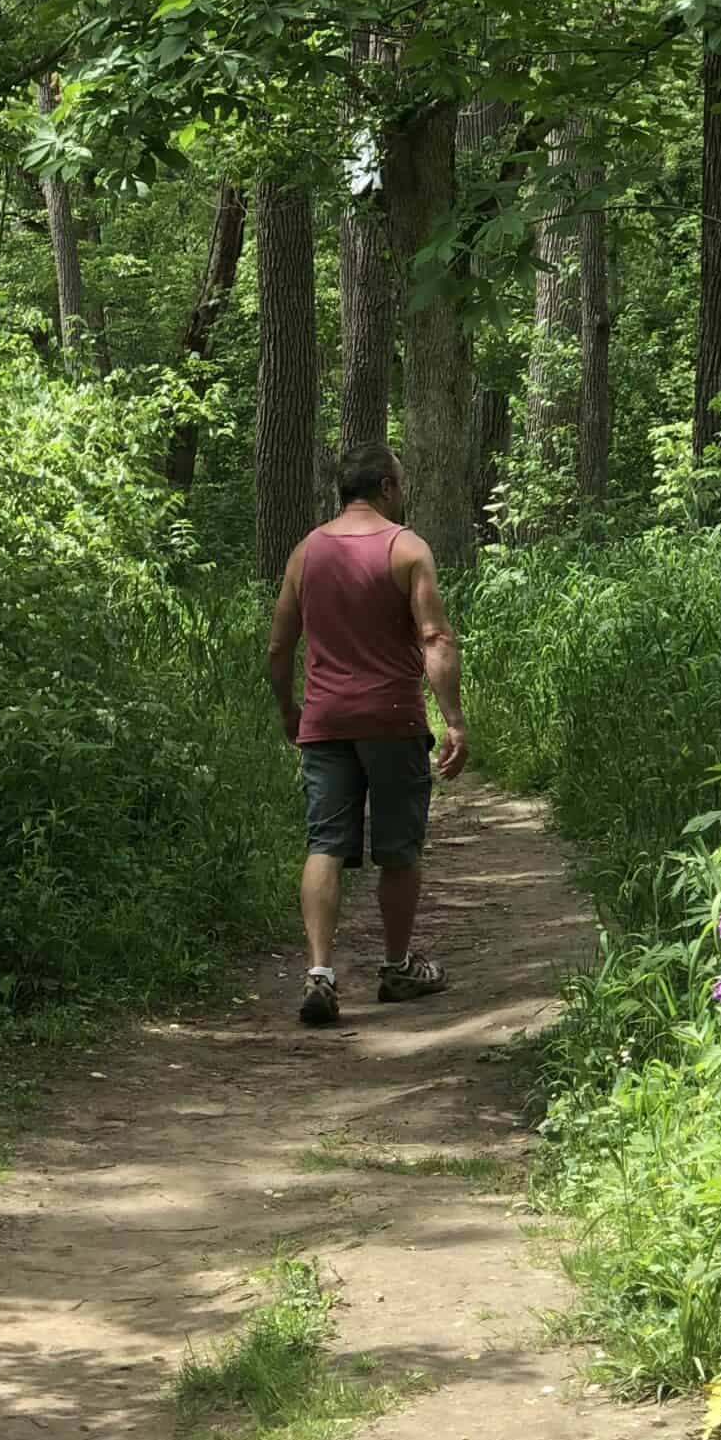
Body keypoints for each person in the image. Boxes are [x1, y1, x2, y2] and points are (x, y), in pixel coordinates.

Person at [264, 439, 469, 1027]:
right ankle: (398, 966)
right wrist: (452, 718)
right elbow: (435, 639)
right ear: (384, 486)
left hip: (325, 723)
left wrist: (289, 709)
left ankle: (320, 974)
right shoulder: (406, 548)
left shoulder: (306, 553)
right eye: (400, 483)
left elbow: (280, 646)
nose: (403, 494)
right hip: (393, 720)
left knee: (324, 842)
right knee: (399, 849)